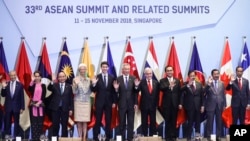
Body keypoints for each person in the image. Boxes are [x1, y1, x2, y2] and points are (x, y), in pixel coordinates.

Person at [113, 63, 139, 141]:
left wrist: (136, 103)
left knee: (131, 123)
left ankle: (130, 138)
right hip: (122, 104)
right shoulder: (118, 79)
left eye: (128, 69)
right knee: (122, 123)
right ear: (122, 70)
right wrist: (116, 89)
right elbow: (115, 93)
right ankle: (123, 138)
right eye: (125, 69)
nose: (127, 70)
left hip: (131, 104)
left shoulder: (133, 78)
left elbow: (135, 92)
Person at [91, 61, 116, 141]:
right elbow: (93, 90)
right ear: (101, 68)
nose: (104, 68)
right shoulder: (97, 77)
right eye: (103, 67)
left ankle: (108, 137)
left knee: (108, 120)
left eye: (106, 67)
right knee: (97, 120)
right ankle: (96, 137)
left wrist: (114, 102)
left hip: (109, 102)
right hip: (99, 102)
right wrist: (94, 84)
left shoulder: (112, 77)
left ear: (108, 68)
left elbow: (113, 91)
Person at [179, 70, 205, 141]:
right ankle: (188, 137)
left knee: (198, 122)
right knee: (190, 122)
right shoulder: (185, 84)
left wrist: (202, 106)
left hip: (198, 106)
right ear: (188, 77)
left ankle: (197, 137)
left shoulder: (199, 84)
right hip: (189, 106)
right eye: (191, 76)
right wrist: (188, 85)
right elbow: (181, 92)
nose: (192, 77)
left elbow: (202, 96)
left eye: (194, 75)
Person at [48, 71, 74, 138]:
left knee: (64, 126)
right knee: (55, 125)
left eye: (63, 76)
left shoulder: (69, 86)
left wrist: (71, 109)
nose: (62, 78)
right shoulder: (54, 85)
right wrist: (52, 81)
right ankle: (54, 139)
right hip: (55, 109)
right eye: (60, 77)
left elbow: (71, 98)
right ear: (58, 78)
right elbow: (49, 88)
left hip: (65, 109)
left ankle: (64, 139)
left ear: (65, 77)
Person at [159, 65, 181, 141]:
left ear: (173, 71)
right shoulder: (162, 80)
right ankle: (168, 137)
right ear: (165, 72)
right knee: (167, 121)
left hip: (175, 104)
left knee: (174, 121)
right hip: (166, 105)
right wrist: (169, 86)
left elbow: (179, 93)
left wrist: (180, 103)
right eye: (168, 70)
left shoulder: (177, 80)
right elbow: (161, 88)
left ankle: (174, 136)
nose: (169, 72)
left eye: (171, 70)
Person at [1, 70, 25, 138]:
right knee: (7, 123)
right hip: (8, 107)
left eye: (14, 75)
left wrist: (22, 107)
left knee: (17, 123)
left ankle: (17, 137)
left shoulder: (20, 84)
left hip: (17, 107)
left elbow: (22, 97)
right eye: (11, 75)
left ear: (16, 75)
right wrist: (3, 87)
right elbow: (3, 95)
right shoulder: (6, 84)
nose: (13, 77)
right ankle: (8, 137)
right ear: (9, 76)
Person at [204, 69, 226, 141]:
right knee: (209, 122)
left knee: (219, 121)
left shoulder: (222, 83)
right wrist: (208, 84)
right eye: (215, 74)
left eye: (217, 74)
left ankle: (218, 136)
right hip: (210, 105)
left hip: (220, 105)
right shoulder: (208, 83)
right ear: (212, 75)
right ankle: (208, 136)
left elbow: (223, 94)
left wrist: (224, 105)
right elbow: (204, 92)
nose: (216, 75)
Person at [137, 67, 159, 136]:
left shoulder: (156, 83)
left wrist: (157, 104)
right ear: (145, 74)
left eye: (150, 73)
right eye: (147, 74)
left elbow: (158, 94)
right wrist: (136, 86)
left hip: (153, 105)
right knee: (144, 121)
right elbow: (136, 91)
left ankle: (153, 135)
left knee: (153, 121)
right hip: (144, 105)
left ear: (152, 74)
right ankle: (145, 135)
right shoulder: (141, 82)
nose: (149, 75)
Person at [72, 63, 92, 141]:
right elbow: (74, 92)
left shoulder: (89, 80)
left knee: (85, 121)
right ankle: (80, 137)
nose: (83, 70)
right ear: (79, 70)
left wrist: (94, 84)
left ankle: (84, 138)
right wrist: (75, 85)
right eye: (81, 69)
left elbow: (91, 91)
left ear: (86, 70)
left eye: (84, 69)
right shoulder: (75, 79)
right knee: (79, 121)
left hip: (86, 102)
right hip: (78, 102)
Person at [28, 70, 46, 140]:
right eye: (36, 76)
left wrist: (38, 103)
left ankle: (41, 138)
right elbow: (29, 89)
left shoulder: (43, 85)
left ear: (40, 77)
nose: (37, 78)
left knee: (40, 123)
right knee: (34, 123)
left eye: (38, 76)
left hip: (40, 105)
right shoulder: (33, 85)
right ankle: (34, 138)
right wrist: (32, 81)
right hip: (33, 106)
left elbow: (43, 96)